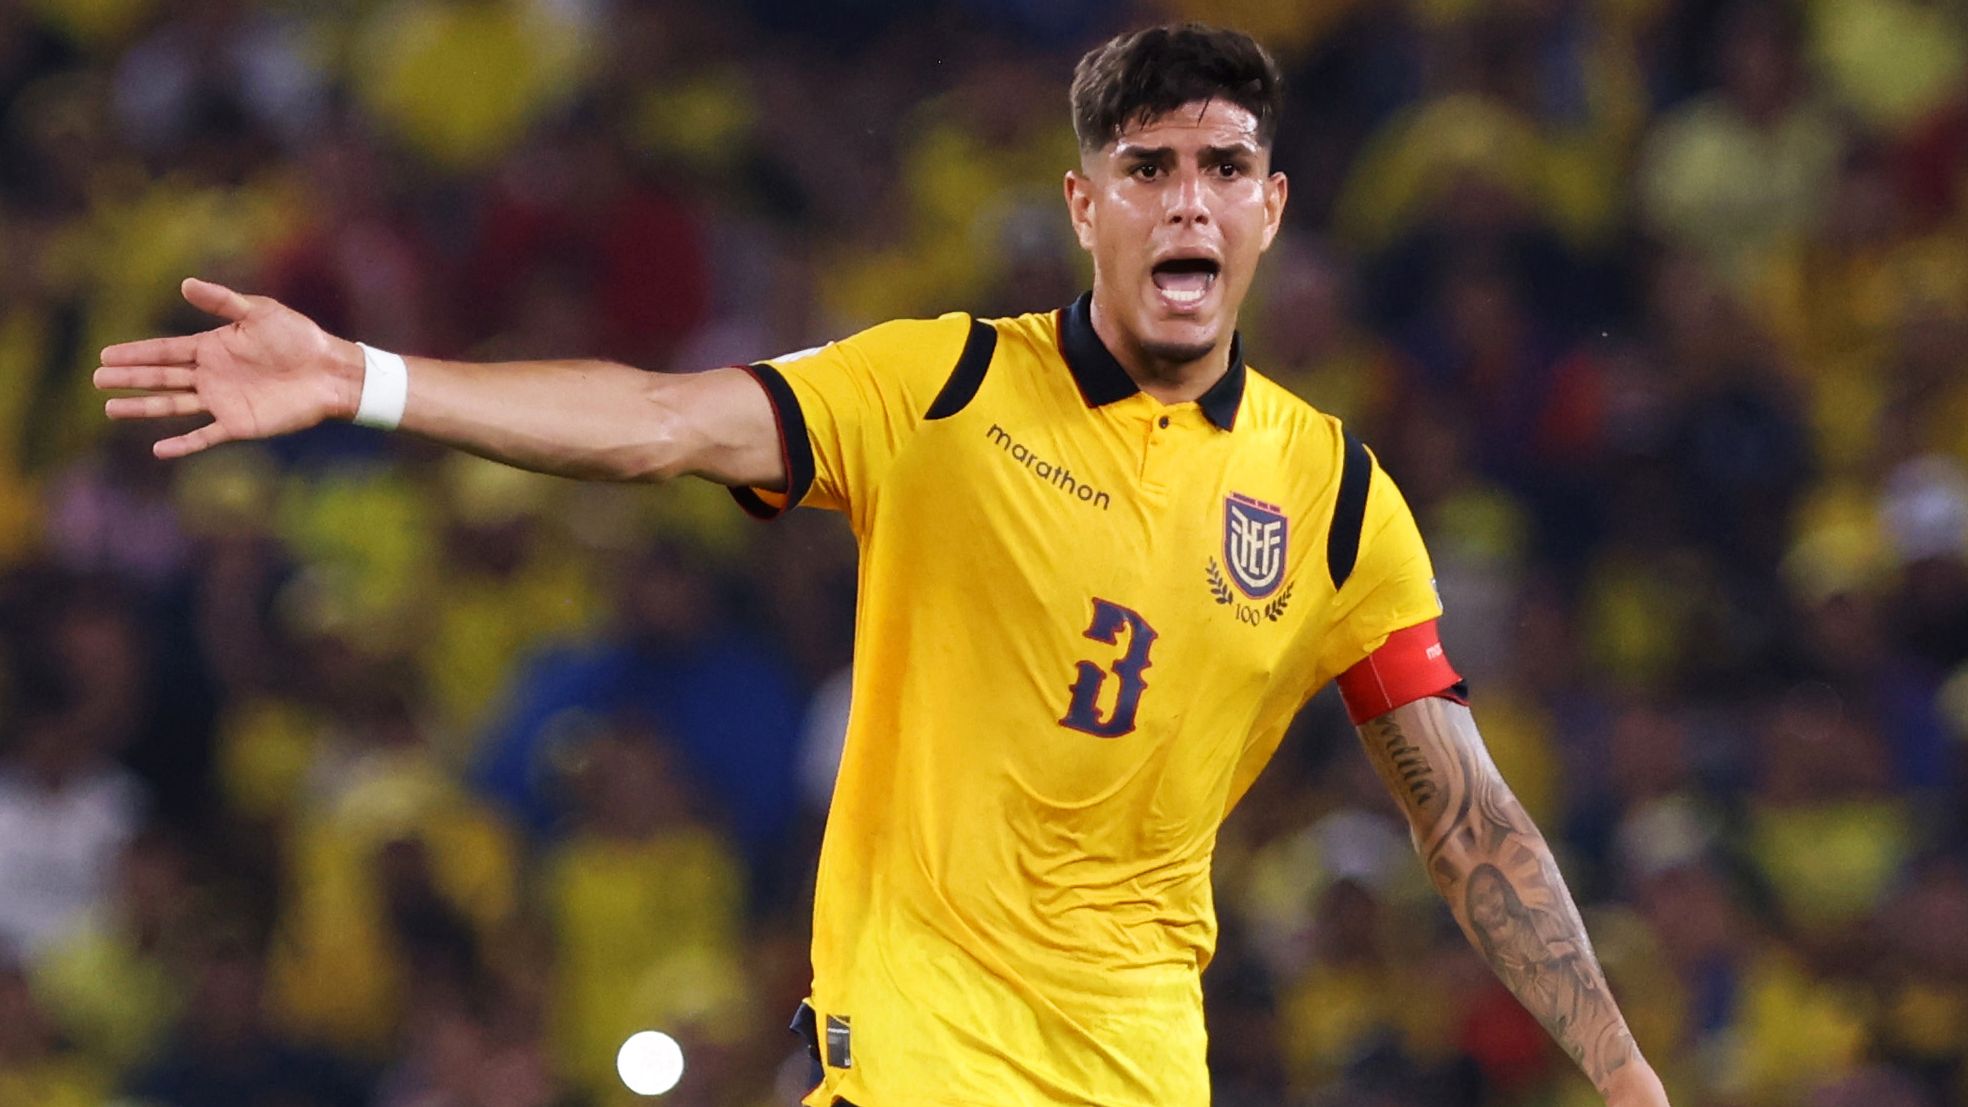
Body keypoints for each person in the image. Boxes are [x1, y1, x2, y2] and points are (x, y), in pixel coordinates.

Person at [97, 22, 1672, 1107]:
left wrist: (1620, 1071)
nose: (1185, 198)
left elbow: (1464, 816)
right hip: (914, 1062)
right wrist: (362, 378)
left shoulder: (1334, 500)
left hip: (1141, 1076)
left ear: (1270, 208)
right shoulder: (944, 389)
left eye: (1220, 166)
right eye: (1145, 168)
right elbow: (663, 422)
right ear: (1085, 208)